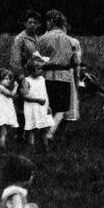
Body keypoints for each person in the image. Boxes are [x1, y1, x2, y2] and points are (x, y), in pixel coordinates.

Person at [34, 10, 76, 144]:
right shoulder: (71, 40)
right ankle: (50, 133)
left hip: (46, 76)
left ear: (50, 22)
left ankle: (45, 134)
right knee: (62, 109)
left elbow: (36, 59)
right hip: (64, 77)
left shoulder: (42, 39)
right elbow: (75, 61)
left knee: (48, 106)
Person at [21, 56, 52, 151]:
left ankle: (45, 146)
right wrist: (37, 100)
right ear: (31, 70)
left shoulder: (42, 79)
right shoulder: (27, 81)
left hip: (42, 107)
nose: (41, 71)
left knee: (44, 127)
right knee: (32, 128)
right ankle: (31, 146)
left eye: (42, 68)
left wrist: (48, 106)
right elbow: (25, 96)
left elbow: (44, 93)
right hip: (32, 108)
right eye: (38, 69)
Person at [0, 69, 20, 148]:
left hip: (2, 111)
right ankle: (2, 144)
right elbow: (11, 94)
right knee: (3, 130)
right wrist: (16, 87)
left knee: (4, 130)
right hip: (1, 112)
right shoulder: (0, 88)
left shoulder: (0, 88)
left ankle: (1, 143)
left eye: (9, 79)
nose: (9, 80)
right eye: (6, 79)